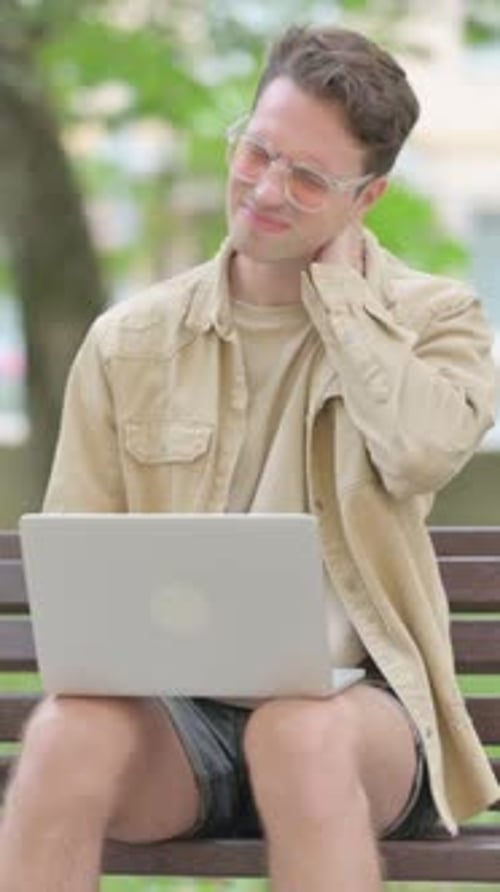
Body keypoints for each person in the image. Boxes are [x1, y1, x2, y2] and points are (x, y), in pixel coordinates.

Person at [0, 23, 498, 892]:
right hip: (181, 723)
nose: (267, 189)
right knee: (63, 734)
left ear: (367, 197)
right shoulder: (130, 343)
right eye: (258, 150)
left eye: (308, 178)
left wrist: (342, 299)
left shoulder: (438, 321)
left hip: (361, 722)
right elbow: (79, 563)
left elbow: (422, 452)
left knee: (294, 733)